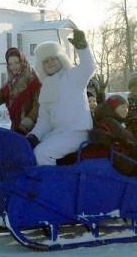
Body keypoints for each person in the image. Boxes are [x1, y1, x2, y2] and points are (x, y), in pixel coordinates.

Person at [26, 29, 95, 166]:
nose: (50, 63)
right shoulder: (46, 87)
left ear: (61, 59)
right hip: (58, 134)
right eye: (46, 61)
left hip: (77, 132)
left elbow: (88, 67)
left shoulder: (73, 76)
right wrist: (34, 136)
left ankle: (50, 186)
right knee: (30, 150)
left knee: (42, 153)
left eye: (53, 58)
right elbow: (45, 120)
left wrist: (82, 48)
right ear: (41, 66)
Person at [0, 47, 41, 133]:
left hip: (33, 132)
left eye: (17, 62)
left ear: (23, 62)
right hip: (15, 131)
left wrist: (24, 126)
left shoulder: (34, 82)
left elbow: (38, 107)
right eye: (10, 64)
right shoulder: (8, 87)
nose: (13, 66)